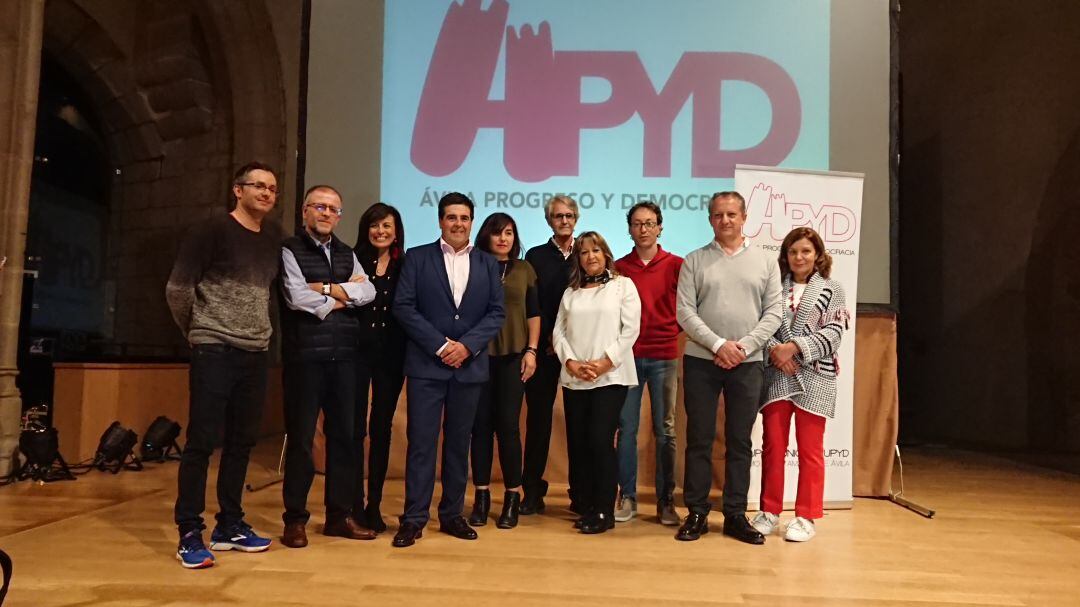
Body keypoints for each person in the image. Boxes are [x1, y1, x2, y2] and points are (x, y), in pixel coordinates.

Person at [165, 161, 283, 568]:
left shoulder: (272, 237)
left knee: (241, 443)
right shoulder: (211, 230)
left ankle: (230, 524)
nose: (266, 193)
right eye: (258, 186)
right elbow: (178, 289)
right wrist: (197, 330)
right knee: (201, 442)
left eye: (272, 188)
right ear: (238, 190)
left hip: (255, 351)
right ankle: (189, 531)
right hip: (214, 348)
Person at [391, 192, 506, 547]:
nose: (458, 223)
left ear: (472, 222)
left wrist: (466, 346)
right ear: (440, 221)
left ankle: (452, 514)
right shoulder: (417, 258)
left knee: (458, 445)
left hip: (468, 368)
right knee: (422, 445)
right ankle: (413, 519)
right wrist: (441, 346)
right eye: (452, 217)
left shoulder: (488, 263)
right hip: (427, 366)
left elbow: (496, 313)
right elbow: (404, 307)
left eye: (465, 218)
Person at [675, 191, 782, 544]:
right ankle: (696, 512)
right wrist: (719, 345)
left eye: (732, 214)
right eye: (719, 215)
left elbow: (774, 314)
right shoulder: (694, 260)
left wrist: (743, 347)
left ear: (744, 217)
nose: (726, 221)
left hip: (748, 363)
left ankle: (735, 514)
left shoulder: (766, 262)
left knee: (739, 440)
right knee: (699, 439)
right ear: (710, 220)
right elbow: (685, 313)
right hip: (702, 361)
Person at [278, 185, 377, 548]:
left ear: (339, 215)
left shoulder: (348, 253)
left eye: (333, 209)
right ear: (305, 211)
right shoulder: (290, 249)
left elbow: (368, 293)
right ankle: (295, 520)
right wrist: (342, 297)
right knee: (303, 441)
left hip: (345, 359)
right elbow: (295, 296)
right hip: (306, 360)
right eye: (318, 206)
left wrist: (327, 289)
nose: (325, 213)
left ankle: (339, 516)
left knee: (344, 440)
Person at [751, 227, 849, 543]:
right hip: (778, 375)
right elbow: (761, 328)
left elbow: (834, 333)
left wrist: (794, 348)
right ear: (785, 256)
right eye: (793, 252)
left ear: (817, 255)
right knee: (773, 447)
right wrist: (776, 353)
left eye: (806, 251)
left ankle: (806, 515)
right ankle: (769, 511)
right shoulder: (773, 288)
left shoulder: (832, 289)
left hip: (815, 377)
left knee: (810, 451)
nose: (799, 257)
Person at [553, 231, 641, 534]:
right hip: (575, 378)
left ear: (606, 254)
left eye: (596, 251)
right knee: (579, 444)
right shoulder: (571, 292)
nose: (590, 256)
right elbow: (558, 333)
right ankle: (587, 505)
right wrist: (571, 363)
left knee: (599, 440)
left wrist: (604, 362)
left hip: (610, 377)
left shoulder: (623, 286)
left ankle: (605, 511)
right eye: (584, 252)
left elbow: (630, 330)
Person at [468, 213, 540, 529]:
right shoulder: (473, 266)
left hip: (513, 357)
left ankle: (513, 495)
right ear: (486, 236)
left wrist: (532, 351)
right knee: (480, 427)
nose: (503, 239)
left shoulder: (525, 269)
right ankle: (481, 496)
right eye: (497, 233)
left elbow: (534, 314)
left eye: (509, 233)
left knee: (508, 427)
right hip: (479, 357)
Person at [613, 202, 683, 525]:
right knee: (626, 428)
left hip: (665, 356)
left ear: (660, 228)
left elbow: (687, 310)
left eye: (650, 223)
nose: (644, 229)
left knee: (665, 430)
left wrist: (670, 330)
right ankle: (626, 495)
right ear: (629, 228)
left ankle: (665, 500)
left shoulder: (677, 265)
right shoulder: (618, 267)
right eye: (637, 223)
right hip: (627, 358)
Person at [351, 203, 407, 534]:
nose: (380, 231)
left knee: (381, 428)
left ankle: (375, 503)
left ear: (396, 229)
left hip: (392, 356)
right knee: (354, 428)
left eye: (386, 225)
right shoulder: (351, 260)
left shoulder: (406, 264)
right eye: (374, 225)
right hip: (356, 354)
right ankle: (354, 503)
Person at [521, 195, 578, 514]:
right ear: (549, 221)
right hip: (543, 351)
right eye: (558, 216)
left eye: (569, 215)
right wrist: (546, 341)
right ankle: (532, 490)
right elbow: (534, 305)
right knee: (539, 423)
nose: (564, 221)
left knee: (578, 423)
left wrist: (568, 343)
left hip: (578, 353)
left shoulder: (587, 253)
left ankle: (580, 491)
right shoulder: (535, 256)